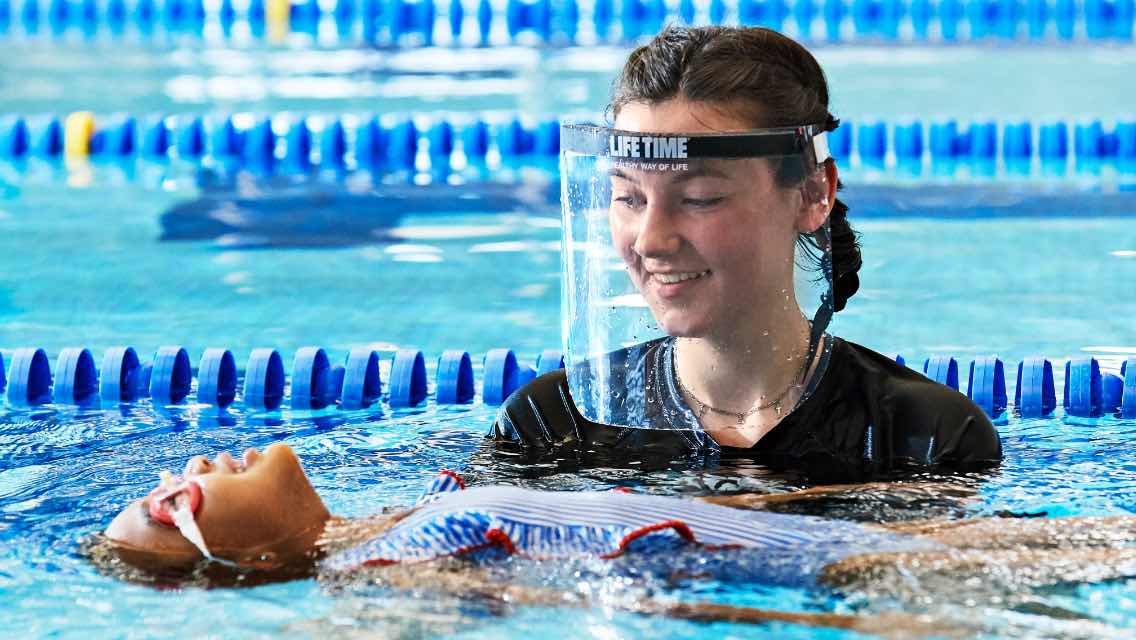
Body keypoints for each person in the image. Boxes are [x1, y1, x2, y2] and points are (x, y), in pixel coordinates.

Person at [491, 26, 1001, 475]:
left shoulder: (926, 438)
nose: (650, 240)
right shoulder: (550, 425)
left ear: (812, 195)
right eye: (629, 197)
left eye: (699, 199)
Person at [93, 445, 1136, 635]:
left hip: (849, 539)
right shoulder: (382, 575)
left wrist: (877, 497)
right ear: (252, 561)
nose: (174, 479)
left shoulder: (387, 518)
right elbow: (579, 594)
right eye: (170, 508)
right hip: (860, 580)